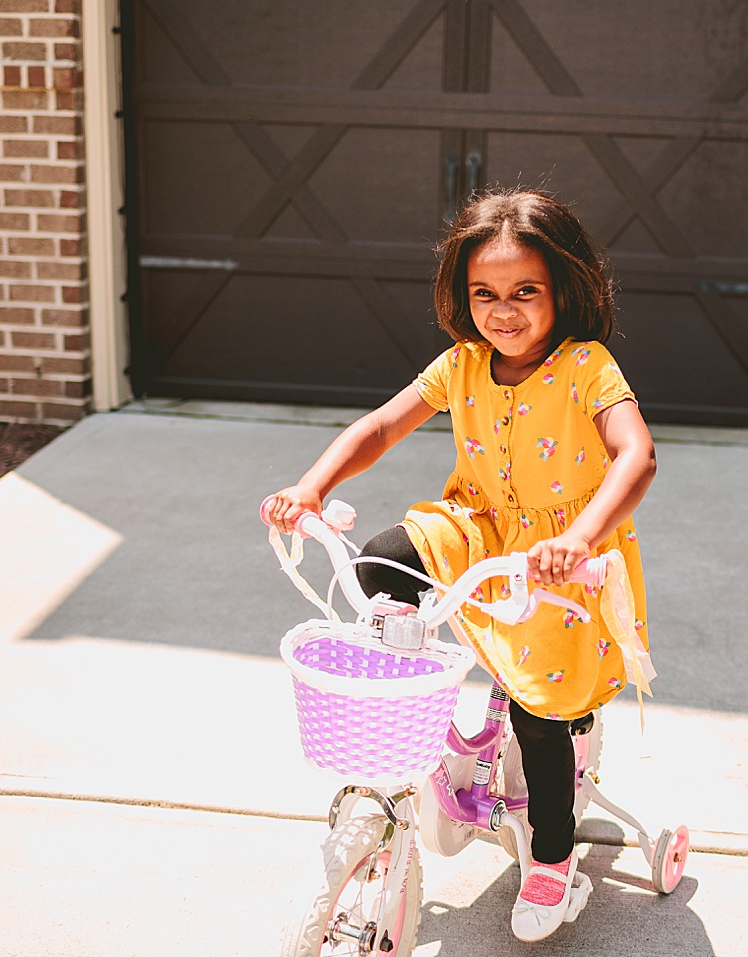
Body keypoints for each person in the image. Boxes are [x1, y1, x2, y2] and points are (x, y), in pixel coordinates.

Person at [266, 188, 655, 943]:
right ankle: (440, 713)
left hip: (558, 558)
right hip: (476, 529)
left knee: (542, 716)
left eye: (525, 293)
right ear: (462, 295)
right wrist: (311, 487)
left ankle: (549, 858)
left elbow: (634, 456)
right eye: (485, 293)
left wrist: (579, 536)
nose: (503, 311)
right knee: (383, 563)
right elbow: (383, 426)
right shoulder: (463, 364)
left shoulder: (587, 366)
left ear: (563, 291)